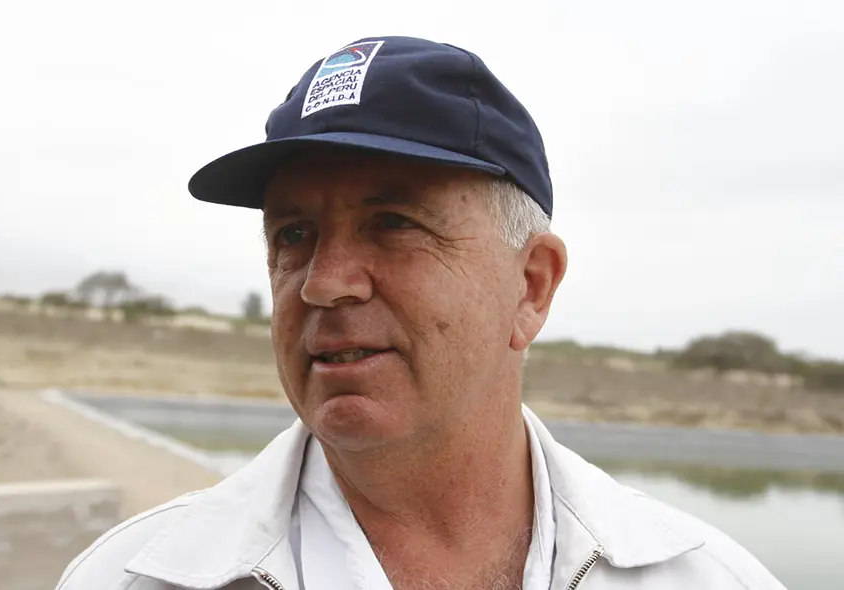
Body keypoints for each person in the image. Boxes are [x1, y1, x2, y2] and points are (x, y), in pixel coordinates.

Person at [55, 36, 786, 590]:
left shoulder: (709, 577)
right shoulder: (130, 579)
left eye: (395, 223)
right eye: (293, 236)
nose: (323, 284)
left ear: (531, 287)